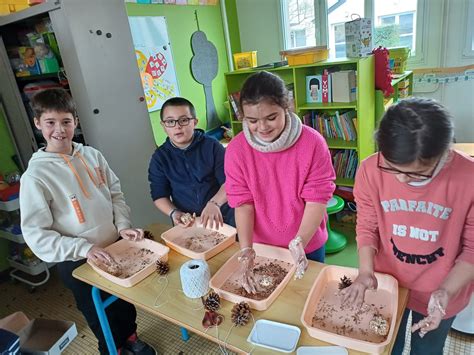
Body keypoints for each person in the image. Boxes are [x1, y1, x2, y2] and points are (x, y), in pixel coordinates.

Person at [19, 88, 156, 355]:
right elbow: (36, 234)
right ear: (37, 123)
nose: (59, 130)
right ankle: (111, 349)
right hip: (79, 260)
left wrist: (123, 225)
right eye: (50, 122)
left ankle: (131, 339)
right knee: (98, 314)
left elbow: (115, 193)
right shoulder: (35, 176)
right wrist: (84, 249)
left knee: (124, 303)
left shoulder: (92, 156)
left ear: (75, 122)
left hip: (115, 247)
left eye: (66, 121)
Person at [341, 98, 474, 355]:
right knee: (389, 347)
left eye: (416, 174)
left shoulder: (468, 178)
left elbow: (472, 249)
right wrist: (366, 272)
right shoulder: (370, 169)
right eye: (390, 166)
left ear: (444, 154)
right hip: (389, 285)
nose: (400, 178)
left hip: (443, 291)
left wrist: (445, 292)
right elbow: (367, 226)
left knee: (427, 351)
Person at [224, 71, 336, 293]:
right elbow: (243, 204)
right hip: (261, 247)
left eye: (271, 117)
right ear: (243, 116)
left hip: (307, 245)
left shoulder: (313, 143)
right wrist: (246, 250)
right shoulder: (236, 150)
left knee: (305, 297)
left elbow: (317, 200)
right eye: (252, 120)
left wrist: (299, 242)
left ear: (287, 107)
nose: (262, 127)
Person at [148, 97, 234, 229]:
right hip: (189, 222)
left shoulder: (212, 146)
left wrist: (214, 203)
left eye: (184, 120)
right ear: (164, 126)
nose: (177, 126)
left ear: (194, 122)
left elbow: (229, 181)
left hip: (222, 215)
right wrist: (174, 213)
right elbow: (159, 195)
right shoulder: (160, 158)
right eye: (170, 121)